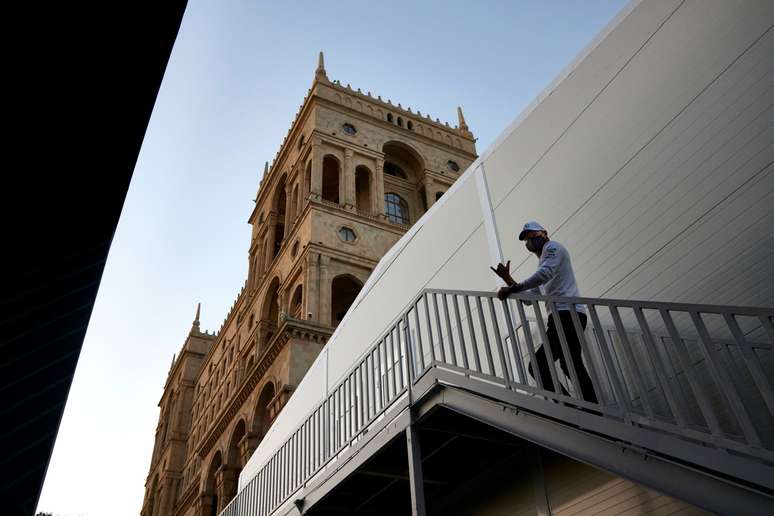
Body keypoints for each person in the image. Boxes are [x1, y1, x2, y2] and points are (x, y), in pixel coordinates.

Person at [490, 221, 598, 403]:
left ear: (544, 233)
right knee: (570, 365)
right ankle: (592, 409)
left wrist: (512, 288)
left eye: (532, 236)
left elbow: (544, 275)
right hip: (564, 316)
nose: (529, 241)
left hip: (567, 315)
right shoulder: (544, 263)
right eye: (526, 239)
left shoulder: (553, 248)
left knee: (538, 366)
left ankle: (571, 409)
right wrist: (508, 279)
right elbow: (528, 299)